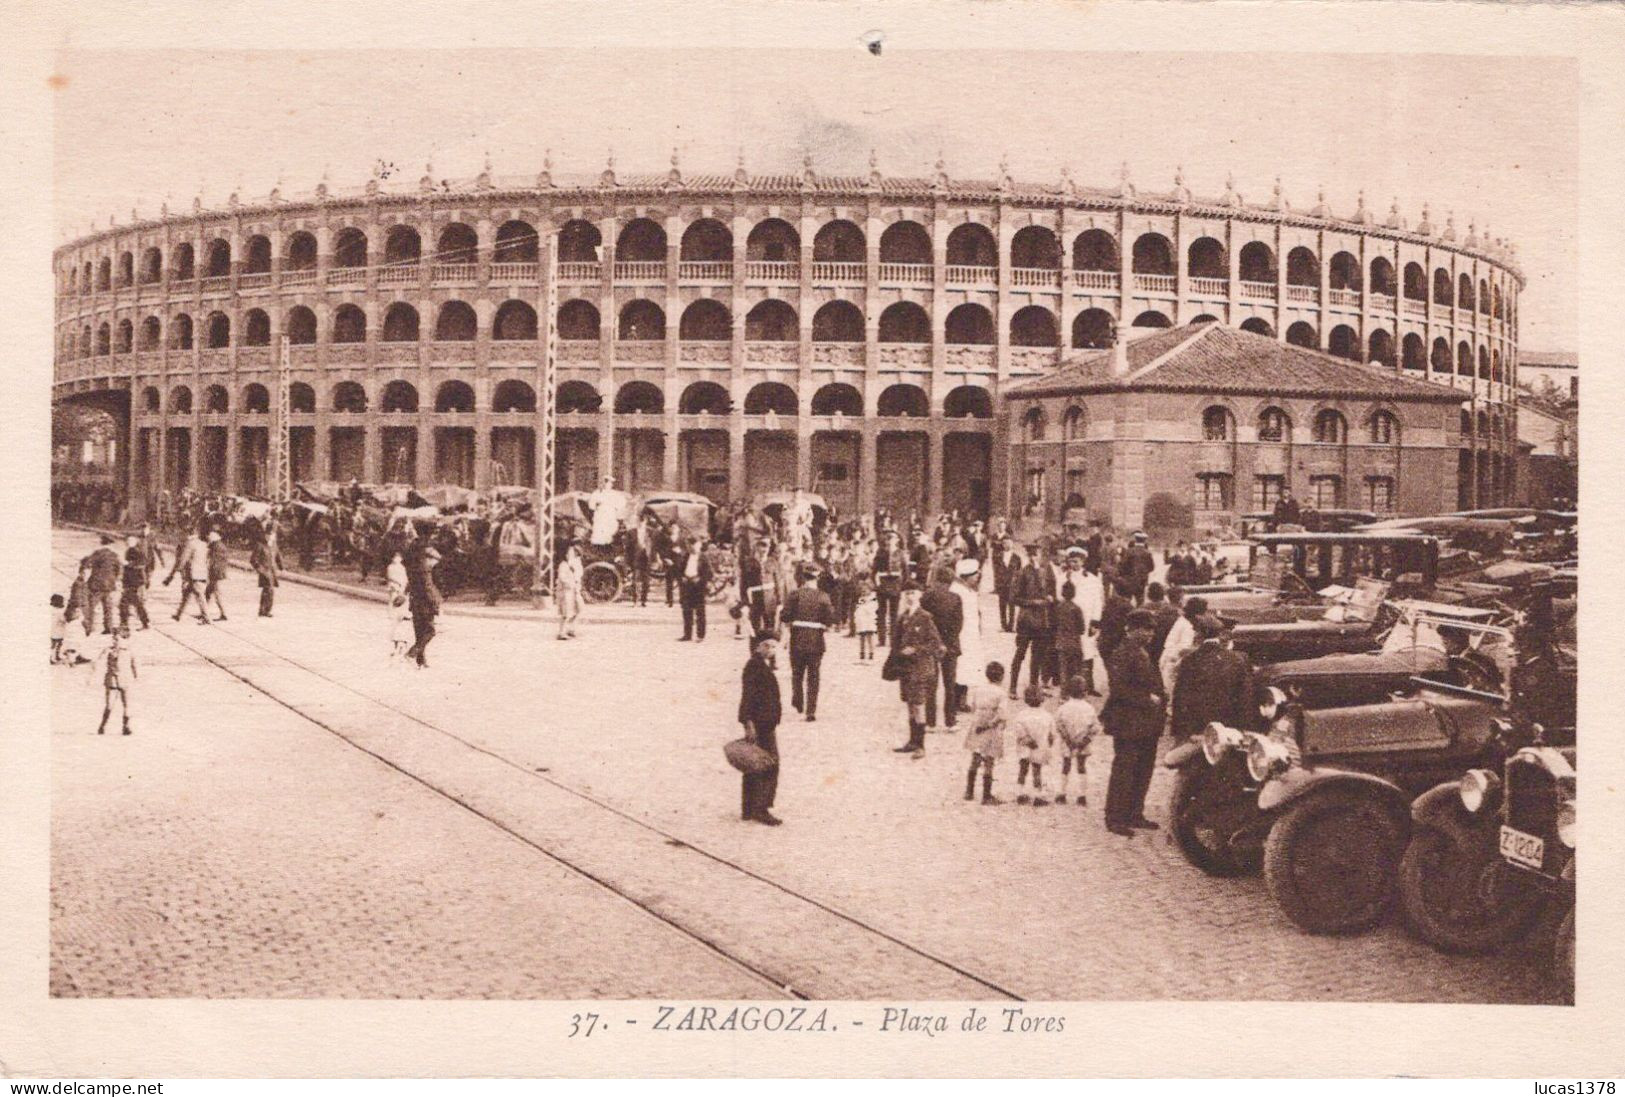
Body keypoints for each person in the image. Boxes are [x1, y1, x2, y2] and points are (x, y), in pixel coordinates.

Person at [1102, 608, 1167, 837]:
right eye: (1146, 629)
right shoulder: (1121, 653)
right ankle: (1115, 817)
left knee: (1143, 769)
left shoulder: (1142, 651)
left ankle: (1134, 813)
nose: (1150, 633)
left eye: (1152, 629)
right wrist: (1148, 699)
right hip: (1128, 721)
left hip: (1146, 723)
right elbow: (1119, 689)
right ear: (1132, 629)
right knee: (1125, 770)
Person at [1170, 615, 1255, 740]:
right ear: (1219, 634)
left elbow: (1180, 697)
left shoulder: (1190, 660)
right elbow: (1245, 695)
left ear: (1199, 634)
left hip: (1198, 729)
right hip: (1229, 727)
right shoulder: (1236, 659)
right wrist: (1244, 728)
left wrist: (1181, 732)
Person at [890, 583, 945, 757]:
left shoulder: (925, 617)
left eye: (912, 593)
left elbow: (935, 643)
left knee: (919, 705)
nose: (909, 597)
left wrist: (916, 649)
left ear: (920, 594)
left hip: (921, 668)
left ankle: (921, 745)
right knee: (910, 704)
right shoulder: (903, 617)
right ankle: (913, 741)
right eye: (906, 593)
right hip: (906, 668)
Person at [736, 632, 784, 826]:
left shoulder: (757, 664)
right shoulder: (755, 667)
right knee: (769, 763)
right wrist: (748, 723)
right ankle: (761, 808)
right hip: (761, 723)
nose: (771, 650)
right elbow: (747, 697)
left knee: (753, 764)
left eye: (773, 647)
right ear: (758, 646)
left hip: (763, 722)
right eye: (768, 646)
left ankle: (748, 808)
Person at [781, 565, 834, 721]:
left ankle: (798, 699)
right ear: (817, 579)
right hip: (816, 641)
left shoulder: (794, 595)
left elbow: (784, 616)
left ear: (803, 579)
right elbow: (830, 619)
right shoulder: (823, 596)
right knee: (814, 676)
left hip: (797, 639)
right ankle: (811, 710)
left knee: (797, 673)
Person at [1008, 543, 1056, 698]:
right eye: (1032, 554)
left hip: (1042, 620)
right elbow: (1013, 598)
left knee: (1038, 655)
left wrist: (1050, 597)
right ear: (1028, 556)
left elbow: (1052, 591)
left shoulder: (1047, 572)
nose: (1035, 557)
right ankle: (1013, 687)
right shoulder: (1022, 573)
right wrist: (1033, 602)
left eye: (1037, 554)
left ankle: (1033, 688)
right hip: (1026, 620)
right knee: (1020, 653)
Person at [920, 567, 964, 730]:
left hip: (931, 646)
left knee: (931, 684)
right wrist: (946, 642)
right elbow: (958, 624)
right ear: (951, 582)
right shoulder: (956, 598)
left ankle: (930, 722)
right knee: (949, 685)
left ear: (937, 580)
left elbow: (924, 622)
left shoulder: (926, 597)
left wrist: (935, 641)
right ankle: (950, 722)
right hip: (950, 646)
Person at [962, 661, 1007, 805]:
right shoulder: (1001, 693)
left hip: (977, 724)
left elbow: (973, 707)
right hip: (991, 727)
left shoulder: (979, 690)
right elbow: (1001, 714)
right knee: (989, 760)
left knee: (975, 756)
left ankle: (969, 791)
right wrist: (992, 724)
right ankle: (986, 795)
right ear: (1001, 677)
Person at [1053, 675, 1101, 806]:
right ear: (1085, 692)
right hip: (1082, 743)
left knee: (1065, 766)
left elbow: (1058, 724)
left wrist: (1068, 739)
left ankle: (1062, 793)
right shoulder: (1089, 708)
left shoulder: (1063, 708)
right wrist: (1085, 740)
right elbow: (1095, 727)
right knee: (1081, 766)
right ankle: (1082, 795)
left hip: (1067, 742)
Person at [949, 557, 985, 715]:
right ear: (966, 576)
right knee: (960, 668)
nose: (977, 577)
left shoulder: (969, 590)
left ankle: (961, 700)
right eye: (975, 574)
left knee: (968, 668)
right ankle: (956, 701)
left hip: (970, 634)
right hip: (961, 634)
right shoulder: (957, 591)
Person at [1010, 683, 1055, 807]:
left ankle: (1019, 792)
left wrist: (1027, 739)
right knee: (1037, 770)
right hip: (1040, 747)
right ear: (1042, 699)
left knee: (1023, 769)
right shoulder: (1047, 716)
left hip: (1025, 746)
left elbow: (1018, 729)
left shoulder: (1021, 714)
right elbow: (1052, 734)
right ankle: (1038, 795)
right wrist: (1049, 743)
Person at [1158, 595, 1208, 693]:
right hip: (1172, 666)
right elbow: (1184, 651)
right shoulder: (1187, 627)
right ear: (1197, 613)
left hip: (1170, 662)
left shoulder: (1183, 622)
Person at [95, 625, 138, 736]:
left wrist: (136, 676)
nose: (114, 641)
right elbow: (99, 660)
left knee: (127, 705)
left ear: (124, 639)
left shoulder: (128, 651)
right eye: (113, 638)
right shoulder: (110, 650)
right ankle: (103, 726)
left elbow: (134, 665)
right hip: (113, 680)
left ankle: (126, 726)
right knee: (109, 705)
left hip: (124, 680)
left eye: (116, 638)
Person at [164, 527, 211, 625]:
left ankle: (207, 618)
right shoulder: (202, 543)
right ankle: (178, 615)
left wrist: (172, 575)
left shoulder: (190, 544)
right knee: (186, 594)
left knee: (200, 595)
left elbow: (182, 560)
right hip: (201, 572)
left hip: (194, 574)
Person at [405, 545, 443, 668]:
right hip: (425, 605)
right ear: (429, 559)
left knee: (420, 632)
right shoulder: (425, 571)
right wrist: (436, 604)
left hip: (415, 603)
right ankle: (412, 654)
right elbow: (428, 589)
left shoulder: (415, 569)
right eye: (434, 562)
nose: (434, 565)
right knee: (430, 631)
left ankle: (421, 661)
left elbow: (409, 586)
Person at [82, 534, 122, 636]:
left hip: (97, 584)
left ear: (102, 543)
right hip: (109, 585)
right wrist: (115, 580)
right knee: (108, 607)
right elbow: (119, 569)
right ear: (110, 544)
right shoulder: (114, 555)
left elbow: (86, 563)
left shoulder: (97, 553)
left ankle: (89, 628)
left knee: (91, 606)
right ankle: (108, 627)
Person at [675, 534, 713, 642]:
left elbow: (709, 574)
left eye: (693, 545)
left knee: (700, 611)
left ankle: (700, 635)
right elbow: (679, 570)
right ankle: (687, 634)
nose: (691, 548)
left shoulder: (703, 558)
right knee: (686, 610)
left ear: (699, 545)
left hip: (698, 587)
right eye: (689, 545)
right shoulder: (686, 556)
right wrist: (682, 578)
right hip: (687, 585)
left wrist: (700, 579)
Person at [872, 531, 906, 646]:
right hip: (882, 585)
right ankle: (881, 640)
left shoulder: (901, 553)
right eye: (889, 539)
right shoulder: (880, 553)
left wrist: (902, 586)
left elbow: (906, 571)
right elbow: (874, 570)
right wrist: (876, 584)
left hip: (896, 585)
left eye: (893, 539)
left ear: (897, 541)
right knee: (881, 613)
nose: (891, 541)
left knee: (894, 614)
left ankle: (893, 640)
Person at [1053, 580, 1087, 690]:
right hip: (1074, 643)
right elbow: (1082, 629)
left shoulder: (1058, 607)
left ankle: (1063, 695)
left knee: (1063, 670)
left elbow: (1054, 624)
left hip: (1061, 643)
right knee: (1076, 670)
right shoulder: (1076, 609)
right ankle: (1076, 692)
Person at [1144, 582, 1182, 665]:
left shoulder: (1143, 609)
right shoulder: (1173, 610)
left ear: (1149, 595)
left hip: (1151, 647)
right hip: (1167, 646)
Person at [118, 535, 151, 630]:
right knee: (135, 603)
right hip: (132, 581)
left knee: (125, 603)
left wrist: (128, 564)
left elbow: (142, 562)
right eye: (127, 541)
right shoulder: (131, 550)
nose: (126, 543)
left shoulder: (134, 551)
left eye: (128, 541)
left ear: (133, 542)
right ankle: (144, 622)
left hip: (133, 581)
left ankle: (125, 624)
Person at [250, 525, 283, 618]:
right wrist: (260, 569)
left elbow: (278, 556)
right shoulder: (260, 545)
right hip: (264, 571)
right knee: (268, 589)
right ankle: (264, 610)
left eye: (272, 534)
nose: (270, 536)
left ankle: (265, 610)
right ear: (265, 535)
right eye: (268, 534)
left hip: (272, 571)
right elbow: (253, 560)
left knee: (269, 590)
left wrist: (281, 568)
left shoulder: (273, 545)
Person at [992, 537, 1021, 632]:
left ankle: (1011, 626)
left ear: (1012, 545)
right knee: (1002, 605)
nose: (1007, 545)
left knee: (1012, 605)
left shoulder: (1017, 558)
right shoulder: (998, 556)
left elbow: (1019, 572)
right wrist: (996, 584)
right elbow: (995, 572)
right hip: (1002, 584)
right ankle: (1003, 625)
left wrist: (1017, 585)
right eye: (1005, 543)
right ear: (1003, 545)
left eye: (1009, 543)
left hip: (1012, 585)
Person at [556, 541, 584, 640]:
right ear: (566, 555)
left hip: (575, 591)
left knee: (578, 609)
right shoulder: (563, 565)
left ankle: (571, 629)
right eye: (570, 553)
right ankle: (561, 632)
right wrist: (571, 583)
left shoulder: (576, 564)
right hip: (566, 592)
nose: (572, 555)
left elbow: (579, 574)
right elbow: (562, 578)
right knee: (566, 613)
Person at [1120, 531, 1156, 604]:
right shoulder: (1148, 553)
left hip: (1129, 579)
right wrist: (1144, 572)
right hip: (1141, 581)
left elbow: (1123, 565)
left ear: (1135, 540)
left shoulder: (1129, 551)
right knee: (1140, 601)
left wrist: (1126, 574)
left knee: (1127, 601)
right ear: (1144, 540)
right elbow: (1151, 567)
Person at [204, 530, 230, 621]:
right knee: (207, 592)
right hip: (219, 573)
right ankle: (204, 611)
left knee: (217, 594)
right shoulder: (221, 546)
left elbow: (213, 562)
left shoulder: (216, 547)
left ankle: (224, 613)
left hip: (215, 574)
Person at [853, 581, 878, 661]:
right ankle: (862, 654)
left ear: (870, 590)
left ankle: (871, 654)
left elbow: (872, 610)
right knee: (862, 638)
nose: (863, 592)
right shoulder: (860, 600)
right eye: (862, 591)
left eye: (865, 590)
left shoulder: (873, 599)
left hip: (869, 622)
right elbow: (858, 610)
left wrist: (866, 604)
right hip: (862, 622)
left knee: (870, 638)